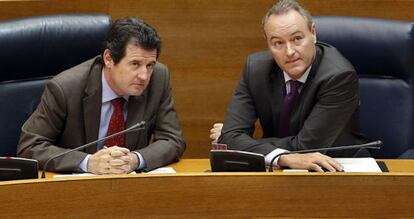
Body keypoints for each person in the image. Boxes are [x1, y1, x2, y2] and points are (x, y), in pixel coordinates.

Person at [17, 17, 185, 174]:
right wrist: (88, 162)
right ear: (109, 59)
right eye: (135, 64)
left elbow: (172, 140)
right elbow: (30, 146)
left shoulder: (158, 78)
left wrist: (135, 160)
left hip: (129, 187)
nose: (144, 75)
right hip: (74, 189)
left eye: (150, 65)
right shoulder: (65, 88)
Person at [215, 0, 367, 172]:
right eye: (278, 43)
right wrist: (281, 156)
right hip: (280, 171)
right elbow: (229, 138)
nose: (289, 51)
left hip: (339, 170)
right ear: (268, 43)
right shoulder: (255, 69)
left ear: (313, 33)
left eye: (297, 39)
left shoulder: (339, 76)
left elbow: (306, 147)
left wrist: (244, 142)